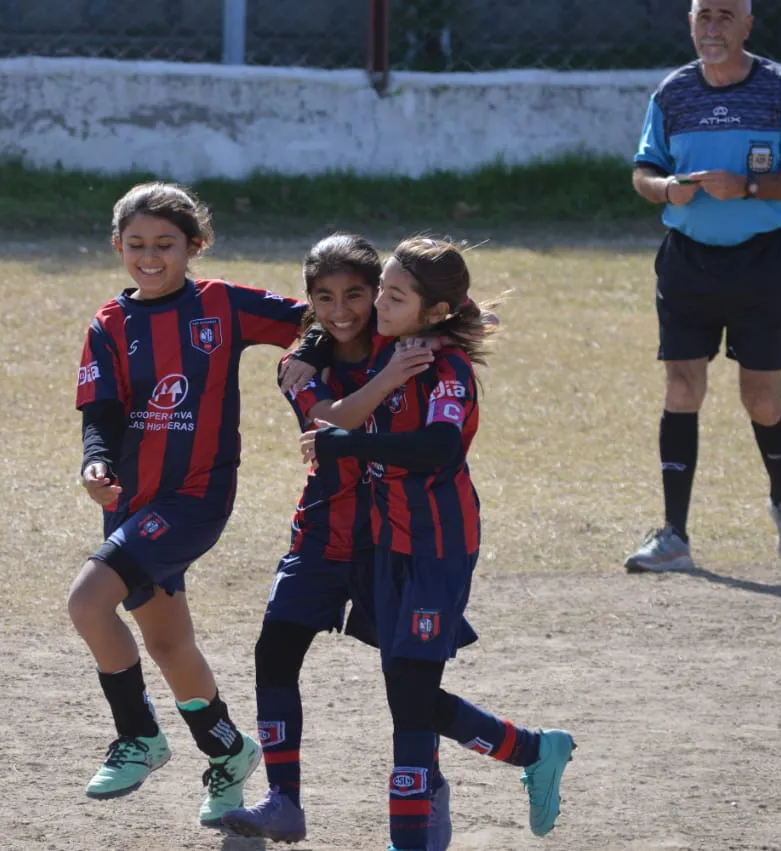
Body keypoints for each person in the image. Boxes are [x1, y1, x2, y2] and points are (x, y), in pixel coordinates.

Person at [302, 238, 575, 851]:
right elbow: (326, 321)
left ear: (434, 312)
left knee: (410, 702)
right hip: (385, 543)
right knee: (408, 692)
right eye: (382, 289)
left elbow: (440, 448)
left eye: (394, 295)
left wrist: (350, 443)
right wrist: (308, 350)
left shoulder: (445, 368)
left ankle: (412, 838)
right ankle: (532, 750)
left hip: (437, 547)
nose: (376, 303)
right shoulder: (391, 342)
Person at [69, 182, 309, 828]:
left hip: (196, 497)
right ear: (118, 245)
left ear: (194, 246)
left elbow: (317, 319)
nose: (150, 257)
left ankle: (138, 735)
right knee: (169, 643)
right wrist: (97, 461)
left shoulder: (222, 305)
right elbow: (101, 411)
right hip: (131, 502)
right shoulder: (109, 324)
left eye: (165, 245)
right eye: (137, 244)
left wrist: (311, 361)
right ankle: (228, 750)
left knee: (87, 601)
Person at [220, 234, 438, 843]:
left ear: (378, 294)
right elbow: (328, 424)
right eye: (324, 298)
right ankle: (283, 800)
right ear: (310, 300)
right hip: (320, 532)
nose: (341, 310)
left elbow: (449, 300)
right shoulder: (299, 366)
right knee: (274, 653)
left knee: (409, 681)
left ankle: (449, 779)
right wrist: (371, 367)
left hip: (392, 538)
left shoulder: (407, 342)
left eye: (355, 295)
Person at [626, 0, 781, 573]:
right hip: (687, 262)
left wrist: (749, 187)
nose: (712, 28)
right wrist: (666, 189)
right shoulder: (672, 92)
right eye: (703, 16)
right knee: (681, 388)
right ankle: (674, 536)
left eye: (724, 16)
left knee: (761, 398)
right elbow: (643, 171)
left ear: (747, 25)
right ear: (690, 23)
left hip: (761, 262)